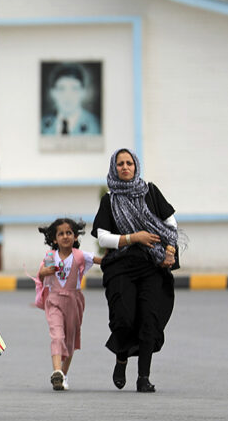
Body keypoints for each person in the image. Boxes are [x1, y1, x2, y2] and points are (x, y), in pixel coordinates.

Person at [91, 148, 180, 393]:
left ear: (136, 166)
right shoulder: (109, 200)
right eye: (120, 163)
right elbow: (103, 237)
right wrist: (134, 237)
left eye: (129, 163)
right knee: (124, 317)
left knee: (149, 319)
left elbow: (170, 222)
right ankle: (121, 358)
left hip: (151, 264)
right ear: (114, 168)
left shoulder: (150, 191)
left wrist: (170, 250)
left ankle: (143, 377)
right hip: (122, 265)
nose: (125, 167)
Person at [36, 218, 101, 391]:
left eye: (69, 233)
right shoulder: (50, 257)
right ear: (54, 239)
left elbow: (101, 261)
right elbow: (41, 276)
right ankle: (56, 370)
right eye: (61, 233)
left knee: (70, 339)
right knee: (57, 336)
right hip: (54, 300)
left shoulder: (81, 256)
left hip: (74, 301)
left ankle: (62, 375)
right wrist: (44, 272)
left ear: (75, 236)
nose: (65, 236)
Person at [41, 63, 101, 136]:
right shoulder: (41, 125)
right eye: (61, 89)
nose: (68, 96)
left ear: (83, 92)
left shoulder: (97, 125)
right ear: (53, 93)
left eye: (74, 89)